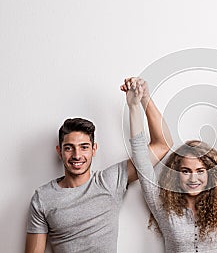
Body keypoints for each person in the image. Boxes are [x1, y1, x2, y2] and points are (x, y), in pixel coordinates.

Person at [25, 77, 172, 253]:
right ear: (59, 151)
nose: (77, 155)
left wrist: (144, 98)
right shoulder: (43, 198)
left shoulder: (109, 181)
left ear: (94, 149)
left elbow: (163, 144)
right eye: (69, 148)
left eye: (84, 147)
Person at [126, 77, 217, 253]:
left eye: (200, 170)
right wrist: (135, 105)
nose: (193, 178)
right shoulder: (163, 207)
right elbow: (141, 159)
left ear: (209, 173)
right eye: (185, 171)